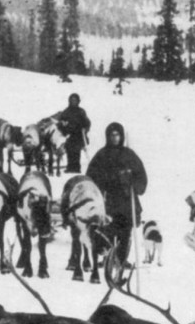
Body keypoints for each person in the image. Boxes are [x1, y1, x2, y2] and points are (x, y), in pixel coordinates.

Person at [86, 122, 148, 263]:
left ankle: (121, 258)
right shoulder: (101, 155)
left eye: (117, 135)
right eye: (112, 135)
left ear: (121, 136)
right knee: (107, 228)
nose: (115, 138)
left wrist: (135, 183)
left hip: (126, 199)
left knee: (125, 230)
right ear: (107, 136)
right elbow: (90, 175)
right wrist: (102, 182)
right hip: (108, 198)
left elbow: (141, 175)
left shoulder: (129, 155)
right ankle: (108, 257)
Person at [58, 93, 91, 174]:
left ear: (78, 101)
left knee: (76, 151)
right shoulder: (66, 112)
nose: (73, 102)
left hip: (78, 135)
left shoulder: (81, 111)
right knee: (69, 150)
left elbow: (87, 122)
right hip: (69, 134)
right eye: (72, 100)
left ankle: (76, 168)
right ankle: (70, 167)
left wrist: (85, 129)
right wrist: (63, 126)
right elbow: (61, 122)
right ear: (69, 101)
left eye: (75, 100)